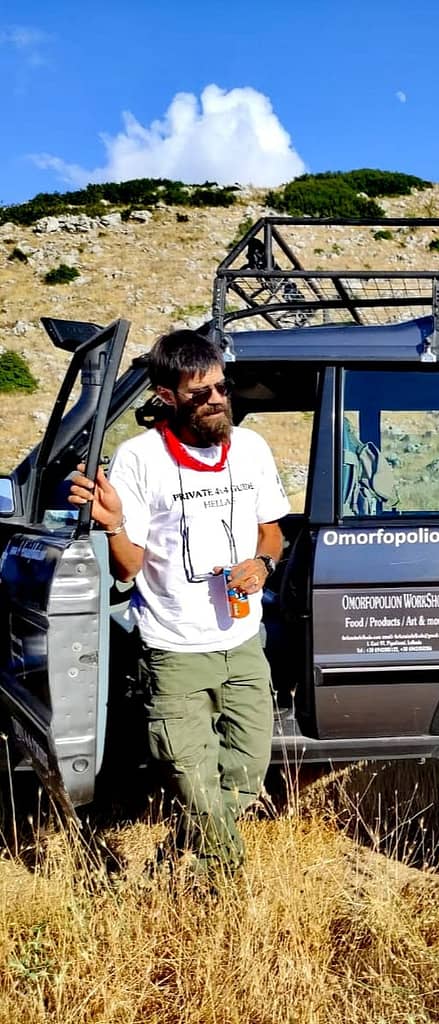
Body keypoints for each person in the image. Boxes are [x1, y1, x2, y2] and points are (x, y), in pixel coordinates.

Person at [69, 329, 290, 880]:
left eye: (221, 387)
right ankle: (222, 884)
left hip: (243, 643)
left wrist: (261, 565)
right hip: (173, 652)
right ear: (167, 396)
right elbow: (128, 567)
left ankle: (180, 856)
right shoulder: (140, 460)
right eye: (199, 393)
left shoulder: (252, 449)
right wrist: (114, 523)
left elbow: (272, 533)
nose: (215, 400)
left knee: (245, 771)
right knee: (192, 776)